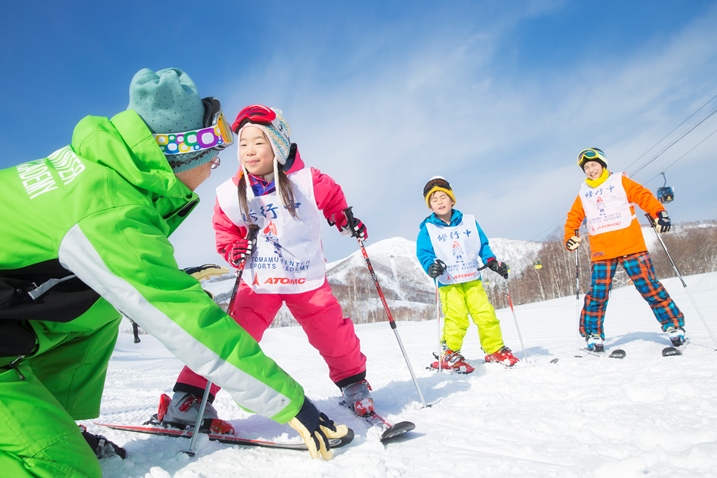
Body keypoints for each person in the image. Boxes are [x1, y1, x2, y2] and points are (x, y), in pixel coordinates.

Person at [0, 68, 347, 477]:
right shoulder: (109, 211)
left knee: (99, 304)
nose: (217, 165)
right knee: (62, 468)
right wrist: (291, 403)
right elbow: (182, 320)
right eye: (212, 156)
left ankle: (52, 418)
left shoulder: (98, 171)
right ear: (181, 154)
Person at [164, 104, 375, 422]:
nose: (249, 150)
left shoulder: (307, 180)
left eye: (258, 142)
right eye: (243, 144)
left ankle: (354, 384)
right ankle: (190, 396)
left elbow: (334, 202)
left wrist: (346, 221)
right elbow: (225, 232)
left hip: (305, 277)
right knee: (231, 336)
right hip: (259, 280)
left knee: (332, 332)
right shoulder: (230, 193)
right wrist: (233, 250)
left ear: (277, 144)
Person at [564, 147, 686, 352]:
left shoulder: (619, 181)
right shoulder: (584, 192)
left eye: (594, 165)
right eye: (586, 167)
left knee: (649, 287)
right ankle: (592, 333)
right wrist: (570, 237)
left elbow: (642, 195)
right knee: (598, 294)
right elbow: (573, 217)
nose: (591, 170)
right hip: (602, 250)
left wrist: (659, 213)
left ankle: (673, 325)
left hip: (630, 244)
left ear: (602, 164)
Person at [416, 176, 519, 372]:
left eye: (443, 197)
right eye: (434, 199)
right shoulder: (428, 229)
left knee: (485, 313)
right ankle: (450, 354)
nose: (439, 202)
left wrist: (491, 261)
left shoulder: (469, 223)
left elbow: (481, 245)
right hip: (448, 281)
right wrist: (431, 266)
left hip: (471, 278)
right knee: (457, 317)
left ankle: (495, 349)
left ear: (452, 199)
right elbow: (424, 253)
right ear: (430, 205)